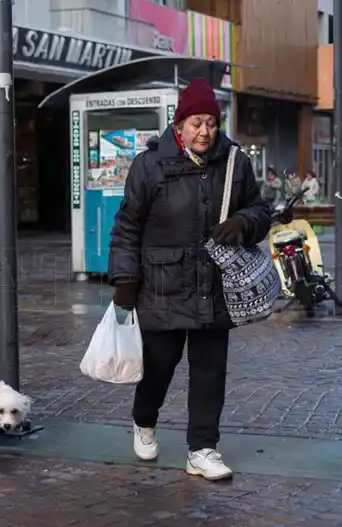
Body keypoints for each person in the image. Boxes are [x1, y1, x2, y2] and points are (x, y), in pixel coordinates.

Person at [108, 78, 271, 482]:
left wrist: (243, 222)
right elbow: (127, 226)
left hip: (215, 288)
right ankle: (143, 420)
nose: (204, 131)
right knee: (158, 366)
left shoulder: (235, 161)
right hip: (161, 288)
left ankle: (202, 449)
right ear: (179, 124)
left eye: (211, 123)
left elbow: (260, 210)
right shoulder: (149, 165)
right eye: (196, 123)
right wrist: (125, 280)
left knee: (210, 373)